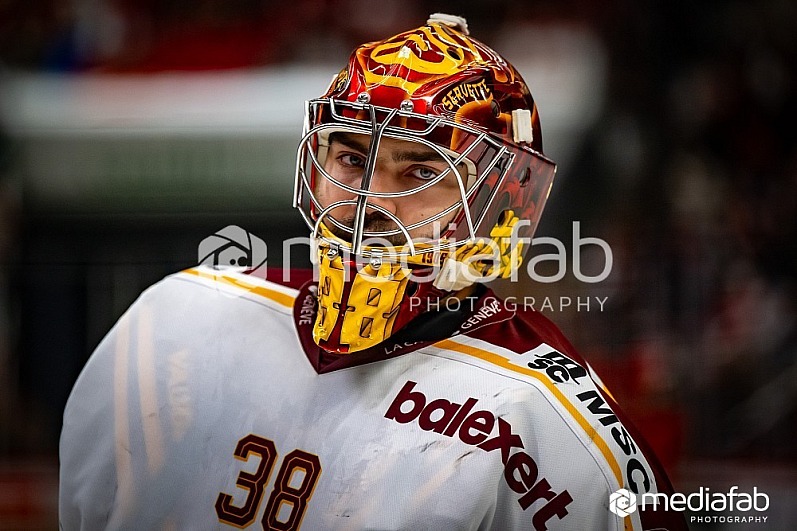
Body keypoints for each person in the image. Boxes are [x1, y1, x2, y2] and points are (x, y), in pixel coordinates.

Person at [59, 14, 687, 530]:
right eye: (352, 157)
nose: (370, 203)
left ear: (501, 199)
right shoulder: (174, 318)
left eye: (420, 171)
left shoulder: (547, 424)